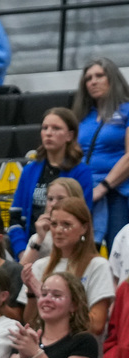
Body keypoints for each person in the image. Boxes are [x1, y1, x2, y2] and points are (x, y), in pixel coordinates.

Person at [19, 197, 115, 337]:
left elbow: (97, 324)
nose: (58, 230)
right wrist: (33, 294)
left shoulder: (98, 266)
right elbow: (30, 322)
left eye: (66, 225)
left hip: (80, 350)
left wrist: (48, 300)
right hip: (44, 346)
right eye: (54, 224)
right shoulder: (40, 265)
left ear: (84, 228)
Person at [7, 109, 93, 260]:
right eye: (45, 128)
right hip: (31, 247)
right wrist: (23, 252)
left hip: (66, 252)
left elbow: (82, 217)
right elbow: (15, 217)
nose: (48, 133)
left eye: (56, 128)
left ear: (70, 135)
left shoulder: (81, 172)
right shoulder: (29, 170)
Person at [72, 59, 129, 250]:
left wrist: (103, 187)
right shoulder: (82, 117)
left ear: (112, 78)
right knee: (82, 252)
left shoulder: (127, 110)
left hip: (118, 193)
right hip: (86, 191)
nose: (93, 82)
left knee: (118, 251)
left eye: (99, 76)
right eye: (88, 78)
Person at [18, 176, 86, 268]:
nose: (53, 204)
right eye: (50, 199)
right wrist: (39, 239)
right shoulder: (38, 237)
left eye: (61, 199)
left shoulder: (81, 234)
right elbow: (20, 273)